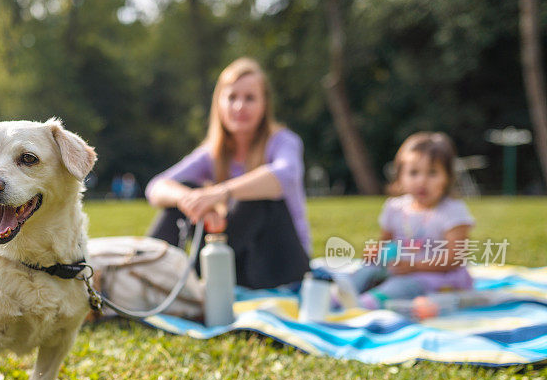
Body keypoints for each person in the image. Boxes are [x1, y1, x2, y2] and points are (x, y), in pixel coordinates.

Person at [145, 57, 311, 289]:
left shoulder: (283, 141)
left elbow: (285, 175)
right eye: (232, 97)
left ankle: (192, 281)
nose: (239, 106)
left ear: (265, 105)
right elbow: (156, 187)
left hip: (283, 264)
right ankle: (145, 274)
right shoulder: (211, 153)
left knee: (256, 198)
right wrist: (192, 201)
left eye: (250, 98)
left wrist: (221, 193)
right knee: (185, 192)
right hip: (239, 263)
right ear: (219, 104)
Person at [334, 132, 475, 310]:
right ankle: (343, 294)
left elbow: (456, 257)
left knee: (401, 287)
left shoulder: (452, 211)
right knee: (367, 270)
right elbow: (385, 241)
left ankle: (369, 302)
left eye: (432, 173)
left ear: (447, 177)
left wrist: (415, 266)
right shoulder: (395, 207)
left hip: (434, 276)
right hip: (399, 268)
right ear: (400, 176)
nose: (422, 181)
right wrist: (375, 252)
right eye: (413, 173)